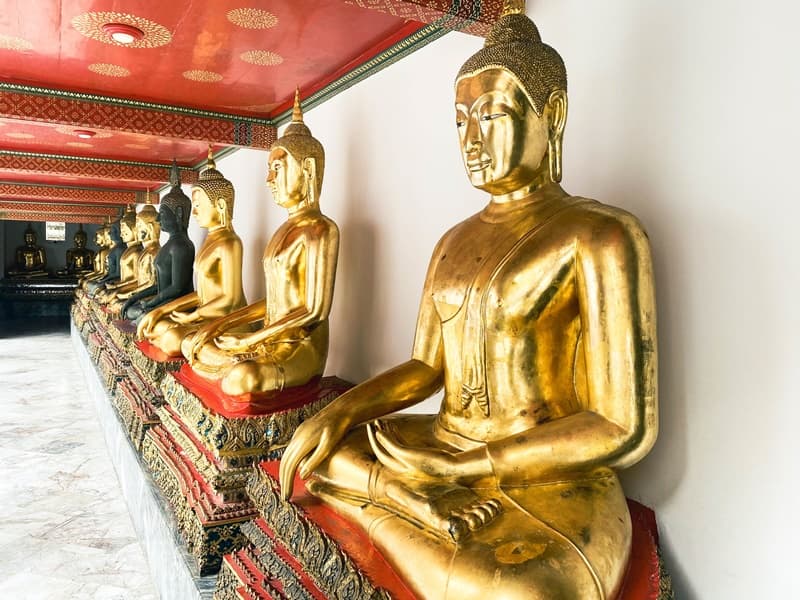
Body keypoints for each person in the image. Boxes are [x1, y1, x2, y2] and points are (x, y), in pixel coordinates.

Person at [279, 5, 658, 599]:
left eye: (492, 115)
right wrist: (340, 411)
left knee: (534, 592)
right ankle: (416, 509)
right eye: (460, 121)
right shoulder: (453, 241)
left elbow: (623, 427)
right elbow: (426, 367)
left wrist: (468, 469)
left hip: (547, 475)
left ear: (552, 116)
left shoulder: (599, 234)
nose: (472, 139)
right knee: (322, 450)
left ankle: (399, 508)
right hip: (442, 443)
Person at [183, 91, 339, 397]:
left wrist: (250, 341)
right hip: (268, 340)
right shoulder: (283, 230)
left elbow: (313, 311)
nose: (269, 179)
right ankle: (232, 359)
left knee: (241, 378)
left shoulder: (321, 229)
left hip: (299, 348)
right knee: (193, 343)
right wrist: (219, 326)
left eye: (277, 168)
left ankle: (240, 366)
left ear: (306, 169)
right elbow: (274, 303)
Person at [136, 151, 246, 356]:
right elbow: (202, 295)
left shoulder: (231, 242)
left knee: (171, 338)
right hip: (205, 317)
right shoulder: (208, 241)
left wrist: (194, 315)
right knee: (158, 325)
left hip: (226, 321)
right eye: (193, 206)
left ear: (220, 205)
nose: (194, 213)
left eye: (198, 206)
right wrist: (162, 310)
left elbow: (230, 300)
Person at [122, 162, 195, 321]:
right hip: (164, 302)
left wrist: (151, 304)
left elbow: (177, 288)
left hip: (178, 307)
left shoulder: (181, 246)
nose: (158, 218)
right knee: (133, 310)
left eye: (162, 213)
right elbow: (160, 286)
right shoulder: (170, 244)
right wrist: (134, 298)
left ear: (179, 214)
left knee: (141, 315)